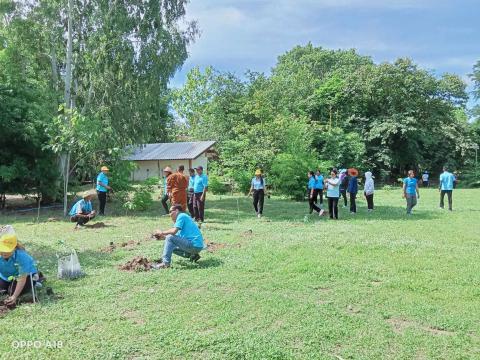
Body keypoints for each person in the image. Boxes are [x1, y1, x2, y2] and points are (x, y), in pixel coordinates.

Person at [0, 225, 38, 306]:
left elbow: (22, 278)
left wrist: (14, 296)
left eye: (7, 250)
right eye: (2, 249)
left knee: (11, 292)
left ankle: (36, 279)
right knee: (2, 291)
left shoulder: (21, 256)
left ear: (14, 247)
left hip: (24, 275)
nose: (4, 253)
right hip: (6, 276)